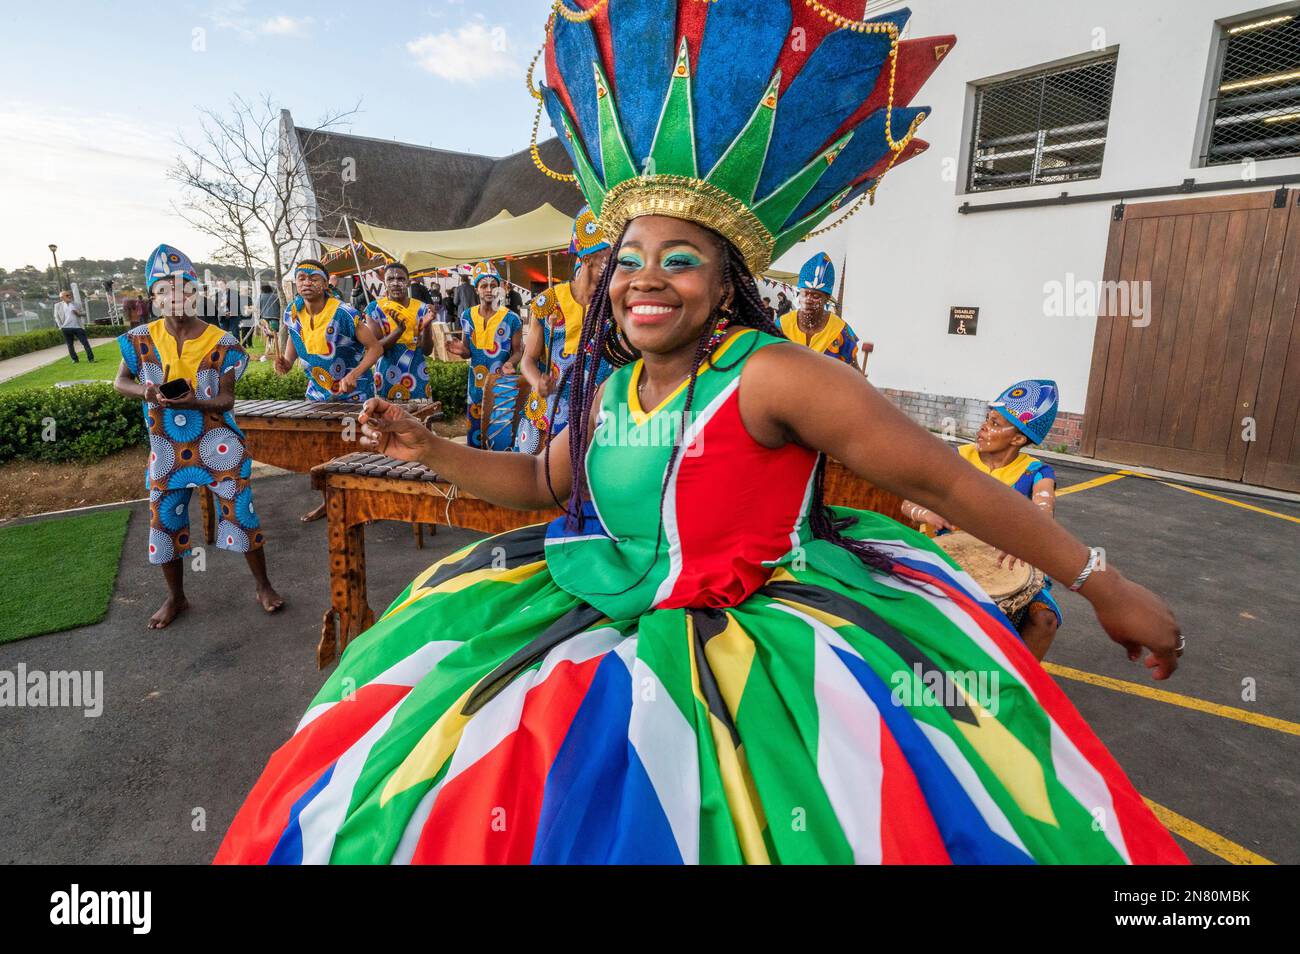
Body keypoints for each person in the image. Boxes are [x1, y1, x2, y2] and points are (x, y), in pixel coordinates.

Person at [219, 0, 1184, 865]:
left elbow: (948, 482)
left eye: (679, 260)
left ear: (726, 284)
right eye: (626, 257)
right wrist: (432, 452)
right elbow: (550, 486)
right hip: (591, 610)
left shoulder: (777, 375)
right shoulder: (609, 383)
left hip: (769, 639)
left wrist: (1102, 581)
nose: (644, 277)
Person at [113, 245, 283, 630]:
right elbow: (120, 381)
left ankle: (263, 586)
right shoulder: (139, 339)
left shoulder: (222, 342)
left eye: (182, 290)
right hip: (166, 450)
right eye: (163, 291)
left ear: (194, 294)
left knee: (241, 514)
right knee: (164, 523)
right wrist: (146, 392)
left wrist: (197, 402)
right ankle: (176, 597)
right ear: (152, 299)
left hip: (220, 445)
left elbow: (226, 400)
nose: (174, 298)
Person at [903, 381, 1065, 661]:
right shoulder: (954, 458)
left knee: (1045, 620)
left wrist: (1027, 540)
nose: (983, 428)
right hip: (944, 558)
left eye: (994, 423)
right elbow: (908, 502)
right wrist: (927, 513)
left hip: (1004, 562)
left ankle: (1018, 690)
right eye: (987, 419)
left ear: (1017, 439)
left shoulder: (1036, 472)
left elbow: (1043, 511)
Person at [275, 259, 385, 521]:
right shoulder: (292, 311)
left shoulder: (344, 312)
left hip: (354, 394)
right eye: (301, 278)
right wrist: (287, 362)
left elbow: (375, 348)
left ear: (325, 284)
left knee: (357, 447)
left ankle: (365, 502)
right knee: (321, 451)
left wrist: (355, 373)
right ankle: (329, 501)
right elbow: (294, 335)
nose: (306, 283)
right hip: (317, 395)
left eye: (313, 278)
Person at [514, 205, 613, 454]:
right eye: (611, 254)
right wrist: (538, 382)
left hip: (594, 421)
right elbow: (528, 360)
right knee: (534, 485)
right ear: (588, 255)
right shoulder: (548, 302)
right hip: (547, 416)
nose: (617, 262)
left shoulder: (616, 305)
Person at [444, 261, 523, 449]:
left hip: (501, 383)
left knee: (500, 435)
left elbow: (519, 350)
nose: (489, 290)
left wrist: (511, 363)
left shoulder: (512, 319)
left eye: (493, 285)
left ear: (500, 289)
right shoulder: (467, 317)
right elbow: (467, 351)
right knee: (476, 435)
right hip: (475, 386)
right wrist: (462, 352)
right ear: (477, 289)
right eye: (484, 285)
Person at [364, 262, 435, 400]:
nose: (395, 283)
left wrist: (426, 326)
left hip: (417, 377)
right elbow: (377, 348)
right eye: (390, 279)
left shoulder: (422, 309)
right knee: (386, 420)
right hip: (386, 377)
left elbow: (427, 351)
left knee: (418, 419)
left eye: (401, 279)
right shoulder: (374, 309)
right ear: (384, 282)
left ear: (408, 282)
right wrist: (399, 330)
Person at [776, 252, 859, 365]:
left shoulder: (840, 331)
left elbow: (853, 370)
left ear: (827, 298)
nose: (808, 300)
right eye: (805, 294)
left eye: (816, 296)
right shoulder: (781, 326)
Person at [54, 290, 94, 363]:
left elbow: (84, 313)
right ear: (62, 298)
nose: (69, 296)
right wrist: (61, 327)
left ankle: (91, 359)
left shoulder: (76, 304)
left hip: (78, 327)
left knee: (85, 343)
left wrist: (78, 313)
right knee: (70, 345)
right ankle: (75, 359)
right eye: (67, 295)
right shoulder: (57, 305)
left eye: (69, 295)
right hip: (66, 328)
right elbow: (56, 317)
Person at [256, 283, 280, 360]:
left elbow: (257, 307)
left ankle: (269, 348)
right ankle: (275, 348)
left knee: (269, 335)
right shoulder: (276, 296)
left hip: (264, 318)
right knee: (276, 334)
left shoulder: (260, 296)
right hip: (276, 318)